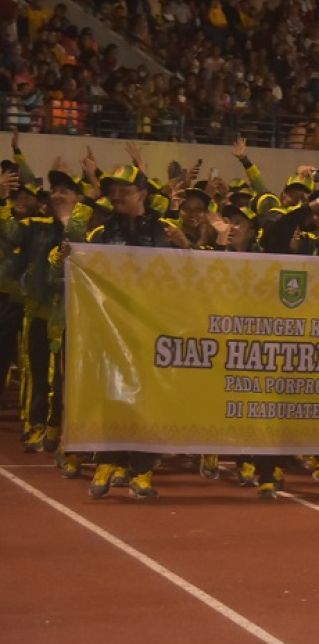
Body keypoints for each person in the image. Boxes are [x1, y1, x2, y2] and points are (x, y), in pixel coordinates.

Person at [85, 164, 189, 499]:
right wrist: (68, 254)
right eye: (113, 189)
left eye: (125, 189)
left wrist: (186, 246)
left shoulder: (166, 231)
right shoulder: (100, 232)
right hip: (112, 327)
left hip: (153, 330)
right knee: (112, 394)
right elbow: (70, 266)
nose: (116, 195)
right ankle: (106, 462)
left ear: (142, 194)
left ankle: (141, 470)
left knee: (151, 399)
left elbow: (195, 275)